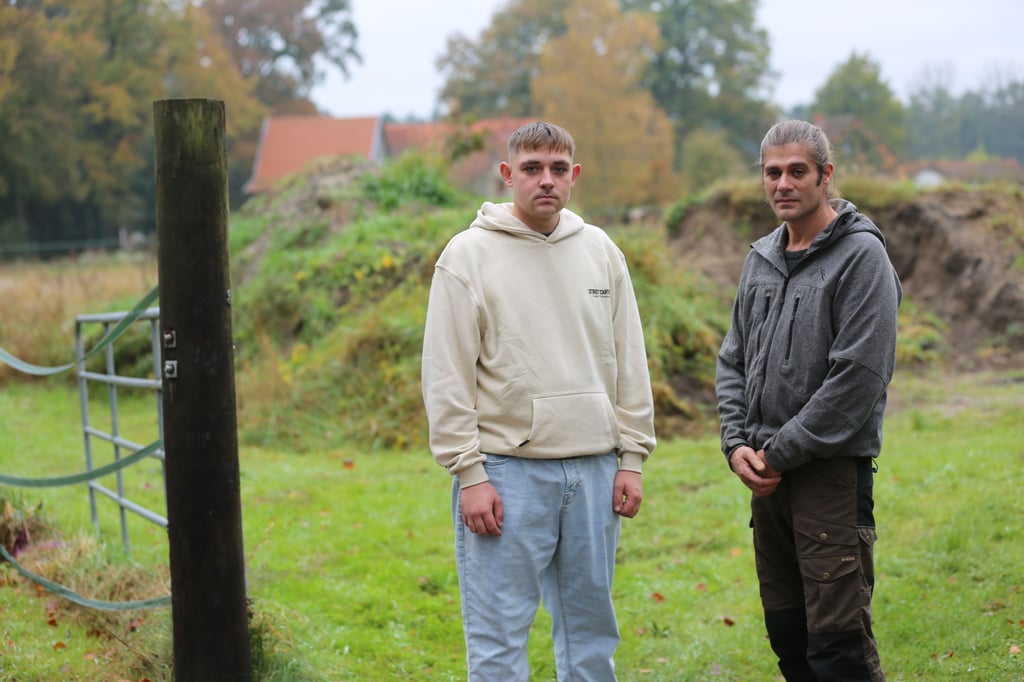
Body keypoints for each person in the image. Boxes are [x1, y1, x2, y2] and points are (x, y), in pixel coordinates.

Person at [421, 121, 656, 681]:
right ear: (508, 175)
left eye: (557, 169)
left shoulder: (601, 251)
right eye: (531, 169)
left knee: (591, 635)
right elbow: (445, 374)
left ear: (573, 175)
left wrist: (632, 459)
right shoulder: (467, 257)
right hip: (506, 476)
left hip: (596, 472)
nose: (545, 181)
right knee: (499, 638)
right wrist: (470, 473)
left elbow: (629, 359)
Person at [715, 119, 902, 681]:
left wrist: (778, 453)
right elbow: (732, 361)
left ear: (826, 175)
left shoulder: (860, 257)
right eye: (773, 172)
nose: (783, 184)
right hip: (766, 481)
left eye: (798, 171)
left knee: (837, 649)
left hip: (828, 479)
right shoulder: (761, 259)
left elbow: (858, 378)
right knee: (790, 641)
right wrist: (735, 445)